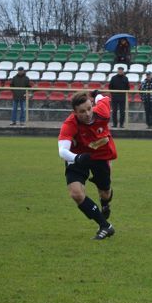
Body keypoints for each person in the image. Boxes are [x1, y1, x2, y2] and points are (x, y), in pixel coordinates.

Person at [57, 91, 117, 240]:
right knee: (76, 194)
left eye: (89, 108)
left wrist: (97, 94)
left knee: (105, 193)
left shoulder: (102, 112)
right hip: (78, 157)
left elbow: (102, 98)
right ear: (75, 113)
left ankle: (105, 203)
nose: (88, 113)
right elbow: (62, 150)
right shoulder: (70, 124)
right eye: (82, 111)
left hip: (100, 155)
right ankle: (105, 226)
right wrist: (77, 158)